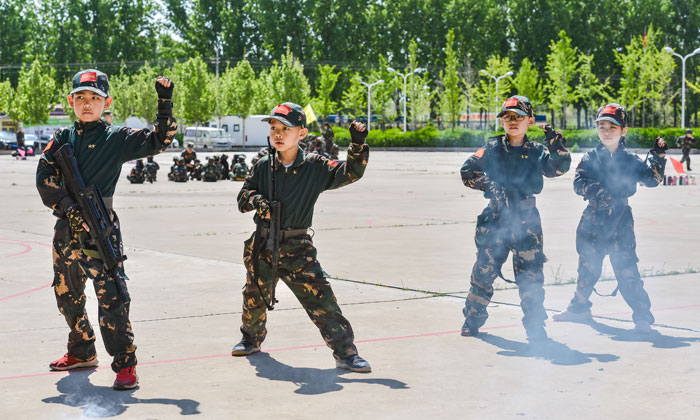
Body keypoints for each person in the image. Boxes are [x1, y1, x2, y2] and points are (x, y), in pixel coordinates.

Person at [35, 69, 176, 390]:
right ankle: (81, 350)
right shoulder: (61, 139)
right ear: (71, 101)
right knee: (66, 292)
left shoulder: (116, 138)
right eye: (81, 98)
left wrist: (164, 104)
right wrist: (69, 210)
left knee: (111, 294)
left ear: (106, 102)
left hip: (101, 225)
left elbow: (159, 140)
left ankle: (125, 364)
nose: (87, 104)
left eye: (94, 98)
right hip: (66, 227)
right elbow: (45, 180)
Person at [232, 102, 372, 372]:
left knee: (322, 300)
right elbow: (243, 197)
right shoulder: (262, 166)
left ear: (302, 134)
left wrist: (357, 144)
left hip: (298, 248)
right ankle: (251, 339)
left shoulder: (315, 167)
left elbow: (351, 172)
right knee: (254, 298)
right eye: (274, 128)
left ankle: (346, 352)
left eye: (285, 128)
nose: (278, 134)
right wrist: (257, 200)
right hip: (264, 244)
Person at [459, 95, 571, 342]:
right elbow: (467, 171)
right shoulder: (491, 149)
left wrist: (557, 147)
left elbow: (559, 169)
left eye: (518, 117)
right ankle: (472, 319)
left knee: (531, 277)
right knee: (483, 272)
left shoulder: (538, 152)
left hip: (526, 220)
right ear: (502, 122)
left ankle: (535, 327)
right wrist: (490, 186)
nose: (512, 122)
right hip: (496, 217)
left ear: (530, 121)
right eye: (507, 117)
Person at [552, 104, 667, 333]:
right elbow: (578, 183)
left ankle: (642, 316)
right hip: (593, 219)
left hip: (621, 221)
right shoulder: (590, 157)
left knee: (626, 269)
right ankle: (579, 309)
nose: (606, 131)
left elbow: (652, 180)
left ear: (623, 130)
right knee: (587, 267)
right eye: (602, 126)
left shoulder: (631, 160)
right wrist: (598, 192)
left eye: (612, 127)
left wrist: (658, 157)